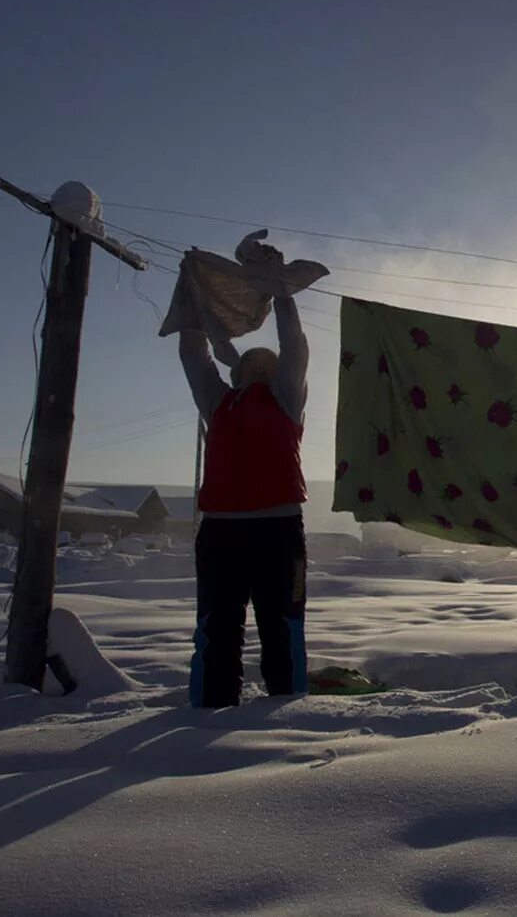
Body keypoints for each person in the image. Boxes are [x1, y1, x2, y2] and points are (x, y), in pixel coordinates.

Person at [178, 246, 309, 708]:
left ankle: (290, 714)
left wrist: (282, 293)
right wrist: (192, 295)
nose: (255, 362)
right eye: (248, 359)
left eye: (263, 360)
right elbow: (193, 356)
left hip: (278, 530)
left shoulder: (286, 400)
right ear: (236, 374)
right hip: (221, 532)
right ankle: (210, 716)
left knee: (283, 625)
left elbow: (295, 346)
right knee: (217, 628)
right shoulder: (219, 404)